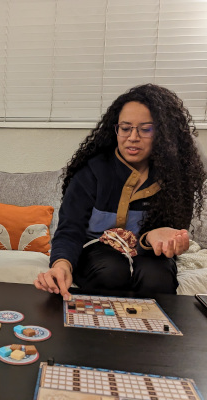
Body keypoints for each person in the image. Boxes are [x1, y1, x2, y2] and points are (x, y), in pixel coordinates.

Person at [34, 84, 206, 298]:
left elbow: (174, 234)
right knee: (111, 272)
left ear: (163, 134)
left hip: (150, 253)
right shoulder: (92, 172)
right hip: (95, 250)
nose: (133, 137)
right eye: (125, 128)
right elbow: (70, 230)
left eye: (145, 129)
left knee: (157, 278)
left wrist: (156, 238)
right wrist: (61, 265)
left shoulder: (176, 179)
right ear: (115, 130)